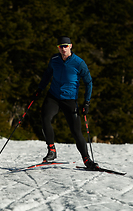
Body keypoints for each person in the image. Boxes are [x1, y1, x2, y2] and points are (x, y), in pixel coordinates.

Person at [33, 36, 98, 169]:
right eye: (61, 46)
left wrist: (87, 102)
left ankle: (87, 160)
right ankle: (51, 150)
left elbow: (88, 82)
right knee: (45, 118)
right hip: (54, 97)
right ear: (58, 47)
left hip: (69, 100)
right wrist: (40, 89)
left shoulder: (79, 63)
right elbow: (47, 75)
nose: (63, 49)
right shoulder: (54, 60)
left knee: (76, 132)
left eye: (66, 46)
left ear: (70, 46)